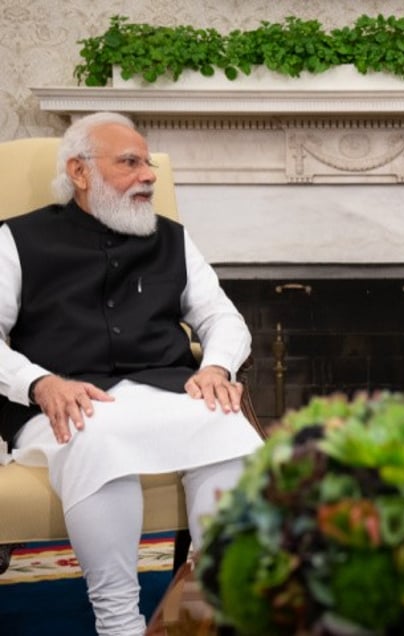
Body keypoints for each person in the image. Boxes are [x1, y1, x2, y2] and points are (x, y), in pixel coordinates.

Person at [0, 112, 264, 635]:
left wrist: (215, 366)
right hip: (65, 401)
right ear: (79, 172)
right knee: (97, 437)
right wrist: (39, 382)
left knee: (231, 429)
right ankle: (118, 622)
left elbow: (222, 317)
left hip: (164, 391)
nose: (149, 175)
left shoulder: (172, 239)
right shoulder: (15, 240)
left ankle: (208, 608)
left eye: (148, 162)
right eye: (130, 162)